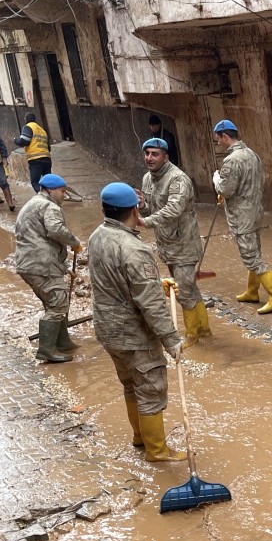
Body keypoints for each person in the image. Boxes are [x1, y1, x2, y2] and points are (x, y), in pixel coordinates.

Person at [88, 182, 186, 463]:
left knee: (131, 385)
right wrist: (172, 341)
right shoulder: (134, 249)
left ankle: (140, 437)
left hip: (108, 331)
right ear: (134, 210)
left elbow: (118, 279)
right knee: (151, 389)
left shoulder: (97, 236)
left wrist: (155, 283)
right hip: (135, 335)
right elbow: (151, 305)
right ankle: (157, 451)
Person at [137, 137, 209, 346]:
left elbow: (174, 209)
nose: (149, 158)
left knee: (183, 292)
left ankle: (192, 336)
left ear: (166, 157)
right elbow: (153, 209)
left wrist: (145, 221)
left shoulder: (178, 179)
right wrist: (142, 206)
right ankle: (204, 330)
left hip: (184, 244)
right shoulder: (147, 178)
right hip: (166, 244)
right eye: (147, 154)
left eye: (155, 154)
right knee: (190, 288)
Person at [213, 119, 272, 314]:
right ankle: (252, 292)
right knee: (255, 252)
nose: (218, 142)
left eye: (218, 138)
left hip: (241, 216)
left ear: (225, 136)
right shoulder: (252, 154)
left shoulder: (231, 160)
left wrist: (216, 179)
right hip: (254, 212)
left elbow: (226, 190)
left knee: (251, 257)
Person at [14, 174, 81, 363]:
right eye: (62, 191)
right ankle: (47, 350)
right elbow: (55, 230)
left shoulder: (33, 204)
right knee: (58, 304)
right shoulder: (49, 207)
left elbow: (41, 238)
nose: (64, 195)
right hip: (41, 265)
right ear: (50, 190)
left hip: (30, 263)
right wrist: (74, 242)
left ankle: (62, 342)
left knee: (53, 302)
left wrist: (64, 266)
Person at [15, 112, 52, 191]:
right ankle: (52, 195)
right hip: (47, 159)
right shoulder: (42, 130)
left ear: (26, 119)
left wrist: (15, 140)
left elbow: (23, 141)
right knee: (48, 182)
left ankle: (43, 196)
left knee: (35, 182)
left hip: (35, 159)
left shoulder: (28, 127)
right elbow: (48, 148)